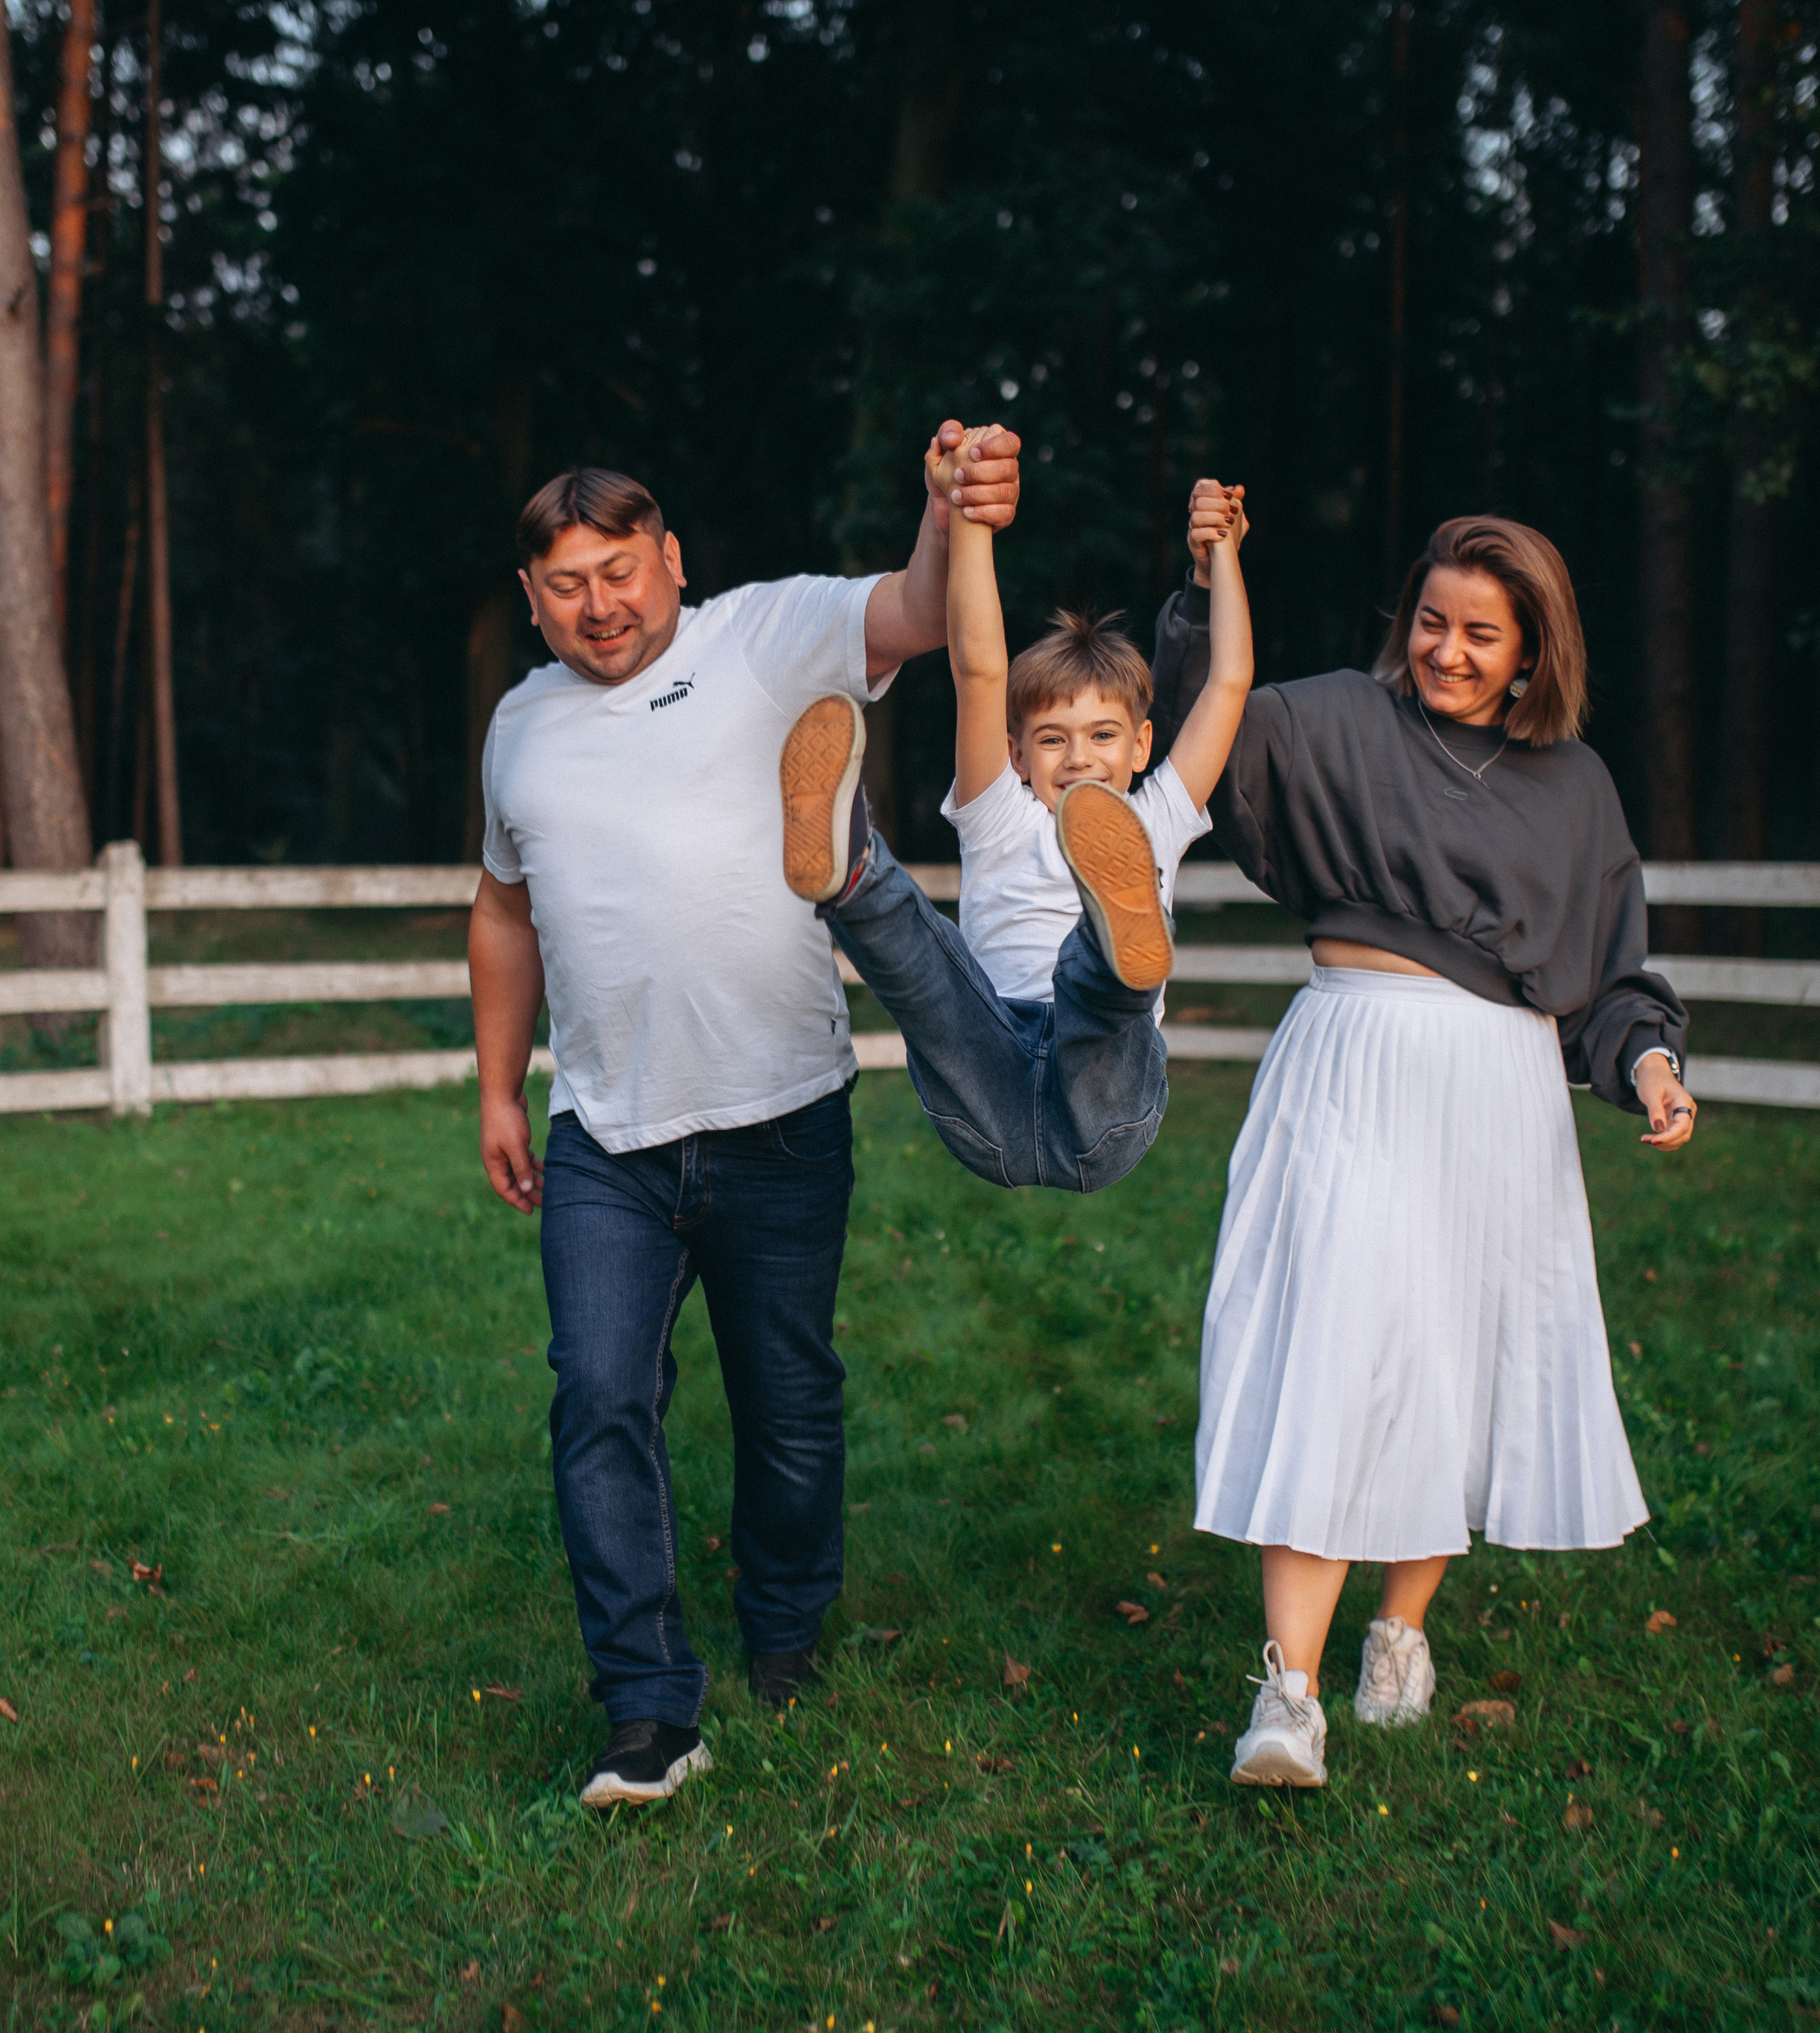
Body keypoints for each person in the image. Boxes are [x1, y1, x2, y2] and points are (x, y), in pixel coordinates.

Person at [468, 427, 1021, 1809]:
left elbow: (911, 604)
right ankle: (649, 1709)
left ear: (670, 561)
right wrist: (495, 1087)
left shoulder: (768, 635)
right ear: (533, 600)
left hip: (782, 1117)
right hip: (608, 1132)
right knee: (600, 1397)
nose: (599, 604)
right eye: (565, 584)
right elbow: (503, 909)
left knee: (788, 1408)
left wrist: (946, 507)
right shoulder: (520, 727)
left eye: (618, 570)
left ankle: (785, 1634)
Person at [1147, 495, 1695, 1788]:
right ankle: (1288, 1698)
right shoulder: (1332, 718)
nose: (1448, 650)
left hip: (1497, 1091)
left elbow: (1610, 976)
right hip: (1349, 1062)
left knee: (1457, 1358)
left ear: (1533, 650)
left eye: (1482, 634)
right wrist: (1208, 576)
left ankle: (1398, 1633)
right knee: (1326, 1356)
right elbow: (1199, 732)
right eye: (1434, 622)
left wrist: (1653, 1063)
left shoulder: (1576, 790)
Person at [774, 442, 1253, 1191]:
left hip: (1102, 1104)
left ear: (1142, 745)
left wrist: (1220, 556)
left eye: (1102, 737)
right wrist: (970, 517)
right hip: (985, 1081)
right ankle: (851, 865)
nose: (1079, 758)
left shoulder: (1155, 815)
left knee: (1098, 994)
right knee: (931, 977)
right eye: (1052, 740)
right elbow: (979, 667)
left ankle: (1113, 931)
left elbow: (1229, 682)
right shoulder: (998, 810)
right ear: (1016, 754)